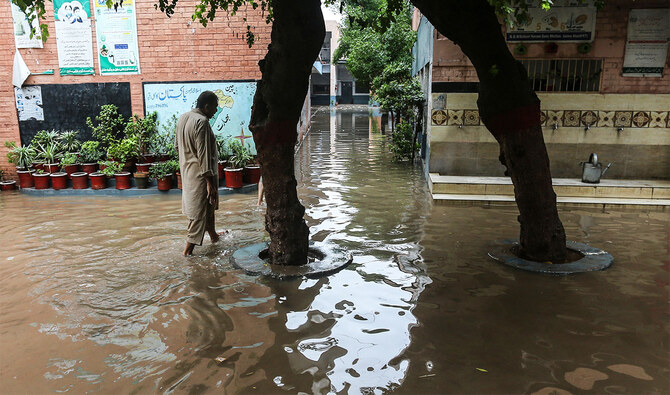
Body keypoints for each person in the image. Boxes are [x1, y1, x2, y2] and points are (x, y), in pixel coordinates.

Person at [175, 91, 224, 256]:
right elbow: (203, 156)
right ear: (207, 106)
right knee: (198, 214)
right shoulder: (202, 122)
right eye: (215, 107)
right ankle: (187, 253)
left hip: (188, 173)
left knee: (208, 208)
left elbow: (177, 147)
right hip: (201, 177)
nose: (216, 111)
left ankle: (214, 236)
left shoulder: (184, 117)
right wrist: (210, 183)